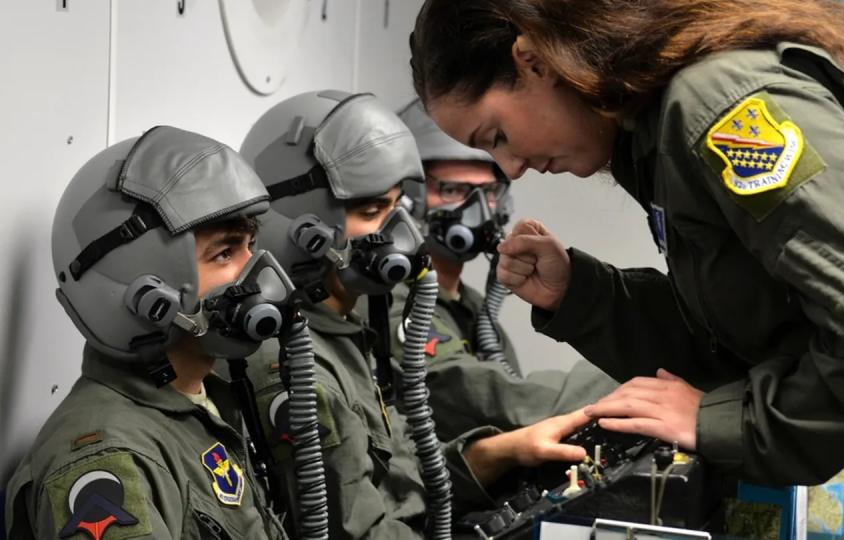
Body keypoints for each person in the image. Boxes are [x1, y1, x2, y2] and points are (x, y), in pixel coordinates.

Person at [408, 0, 844, 537]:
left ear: (535, 61)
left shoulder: (717, 106)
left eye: (497, 136)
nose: (511, 167)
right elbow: (749, 339)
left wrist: (722, 421)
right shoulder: (654, 134)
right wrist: (582, 296)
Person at [238, 90, 591, 539]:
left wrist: (502, 452)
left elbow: (404, 482)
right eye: (372, 211)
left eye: (396, 207)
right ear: (304, 231)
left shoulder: (356, 332)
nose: (401, 233)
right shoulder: (297, 365)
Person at [4, 126, 293, 539]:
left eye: (251, 245)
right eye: (226, 252)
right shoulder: (109, 460)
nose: (261, 271)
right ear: (147, 295)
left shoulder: (208, 399)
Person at [393, 98, 618, 441]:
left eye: (488, 193)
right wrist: (634, 376)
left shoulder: (469, 307)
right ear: (406, 199)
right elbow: (497, 400)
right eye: (453, 190)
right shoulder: (393, 301)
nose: (477, 210)